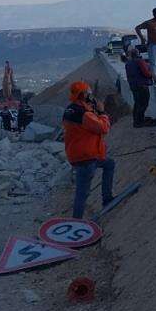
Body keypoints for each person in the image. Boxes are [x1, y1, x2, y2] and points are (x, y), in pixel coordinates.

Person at [63, 81, 115, 219]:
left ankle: (107, 198)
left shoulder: (70, 110)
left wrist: (91, 110)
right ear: (84, 94)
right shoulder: (84, 115)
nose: (91, 95)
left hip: (77, 153)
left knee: (109, 164)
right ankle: (76, 222)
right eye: (88, 92)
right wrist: (102, 112)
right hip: (86, 156)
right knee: (82, 192)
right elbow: (103, 128)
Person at [124, 47, 156, 128]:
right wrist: (152, 74)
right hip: (142, 86)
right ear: (138, 54)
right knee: (144, 103)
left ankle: (137, 120)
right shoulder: (140, 62)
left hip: (133, 86)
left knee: (137, 103)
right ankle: (140, 121)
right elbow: (146, 73)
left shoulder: (128, 63)